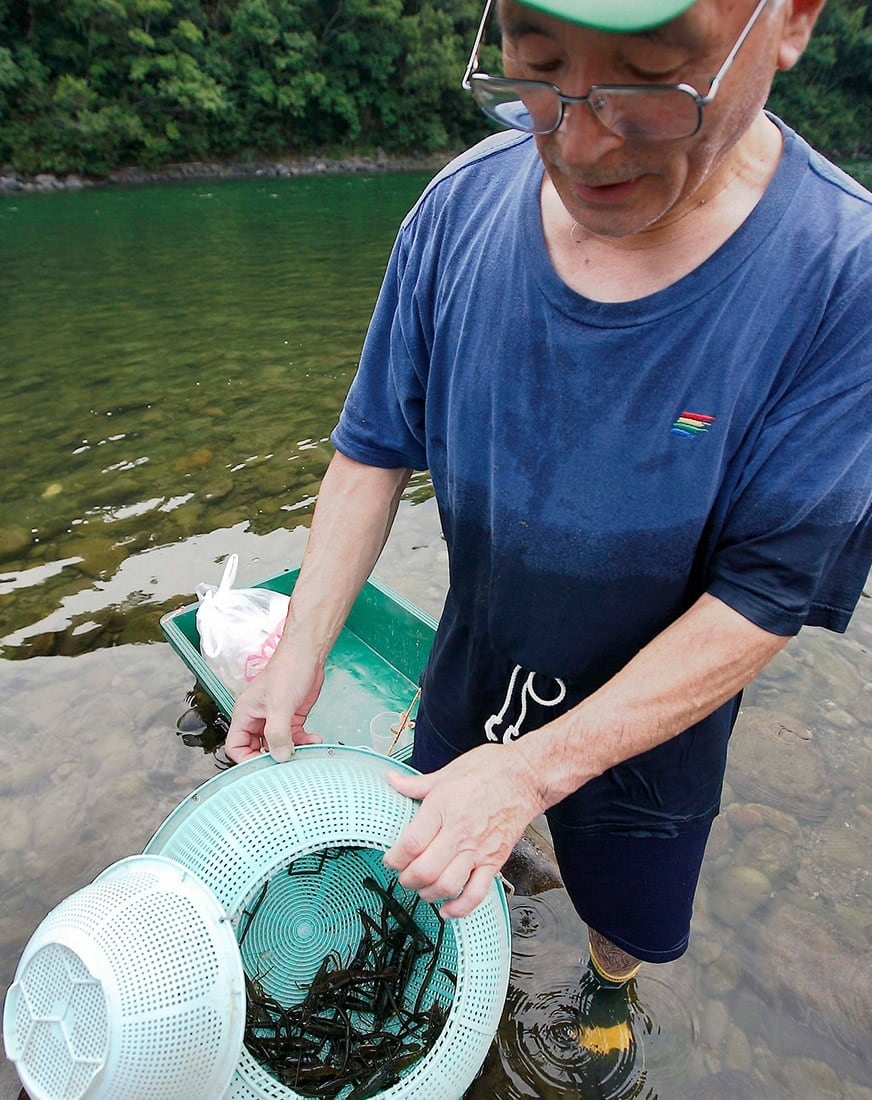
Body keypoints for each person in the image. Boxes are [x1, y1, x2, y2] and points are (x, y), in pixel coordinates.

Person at [227, 0, 871, 1010]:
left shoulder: (842, 278)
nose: (576, 143)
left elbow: (764, 595)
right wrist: (298, 649)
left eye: (650, 80)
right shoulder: (456, 210)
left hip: (651, 735)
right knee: (429, 856)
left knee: (627, 911)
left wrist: (531, 772)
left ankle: (607, 996)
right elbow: (369, 448)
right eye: (536, 68)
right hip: (470, 669)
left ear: (787, 21)